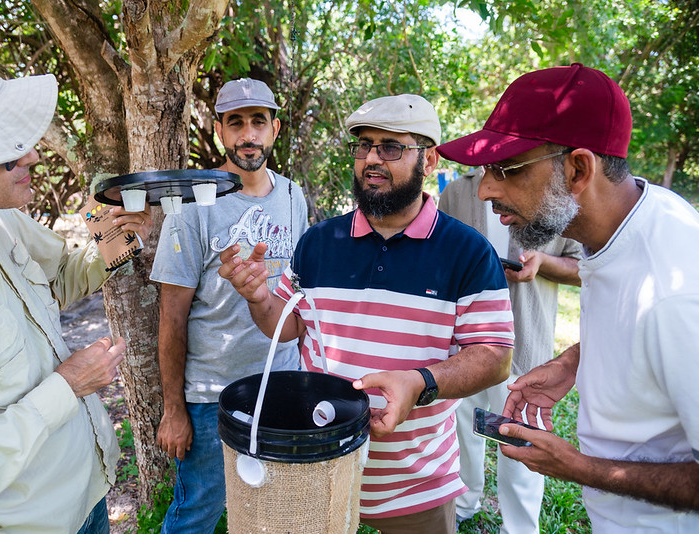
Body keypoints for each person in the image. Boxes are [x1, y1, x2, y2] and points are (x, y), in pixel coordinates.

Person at [219, 94, 514, 533]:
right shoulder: (319, 242)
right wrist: (259, 297)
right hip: (318, 473)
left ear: (430, 159)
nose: (372, 159)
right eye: (363, 146)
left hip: (416, 485)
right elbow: (287, 325)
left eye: (390, 147)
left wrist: (421, 382)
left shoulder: (467, 251)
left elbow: (494, 356)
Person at [0, 37, 152, 533]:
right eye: (6, 152)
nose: (32, 155)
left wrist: (121, 237)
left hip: (89, 494)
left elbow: (62, 278)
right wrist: (66, 388)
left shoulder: (0, 220)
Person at [437, 63, 699, 532]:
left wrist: (577, 467)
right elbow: (631, 319)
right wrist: (576, 360)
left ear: (578, 169)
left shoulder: (675, 294)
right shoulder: (632, 220)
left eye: (507, 170)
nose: (487, 190)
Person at [150, 77, 308, 534]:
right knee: (197, 514)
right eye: (235, 123)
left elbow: (299, 293)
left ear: (275, 128)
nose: (248, 135)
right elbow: (171, 316)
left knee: (274, 511)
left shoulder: (293, 196)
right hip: (212, 396)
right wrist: (174, 409)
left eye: (258, 121)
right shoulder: (193, 206)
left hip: (281, 383)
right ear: (219, 130)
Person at [438, 168, 581, 532]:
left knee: (519, 435)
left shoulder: (553, 190)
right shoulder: (456, 191)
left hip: (524, 341)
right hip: (463, 341)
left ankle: (519, 527)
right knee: (461, 428)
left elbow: (584, 266)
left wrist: (543, 263)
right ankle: (464, 501)